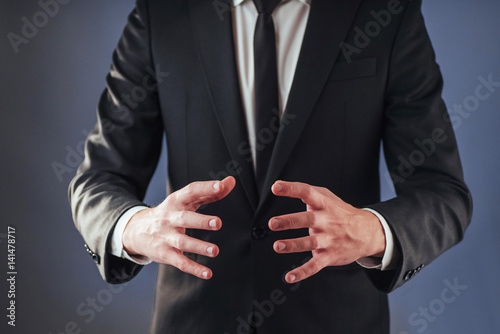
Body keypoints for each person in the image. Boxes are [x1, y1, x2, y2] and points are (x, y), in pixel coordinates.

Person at [69, 0, 472, 333]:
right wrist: (136, 227)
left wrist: (370, 230)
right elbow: (98, 179)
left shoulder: (386, 14)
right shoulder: (162, 15)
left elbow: (443, 194)